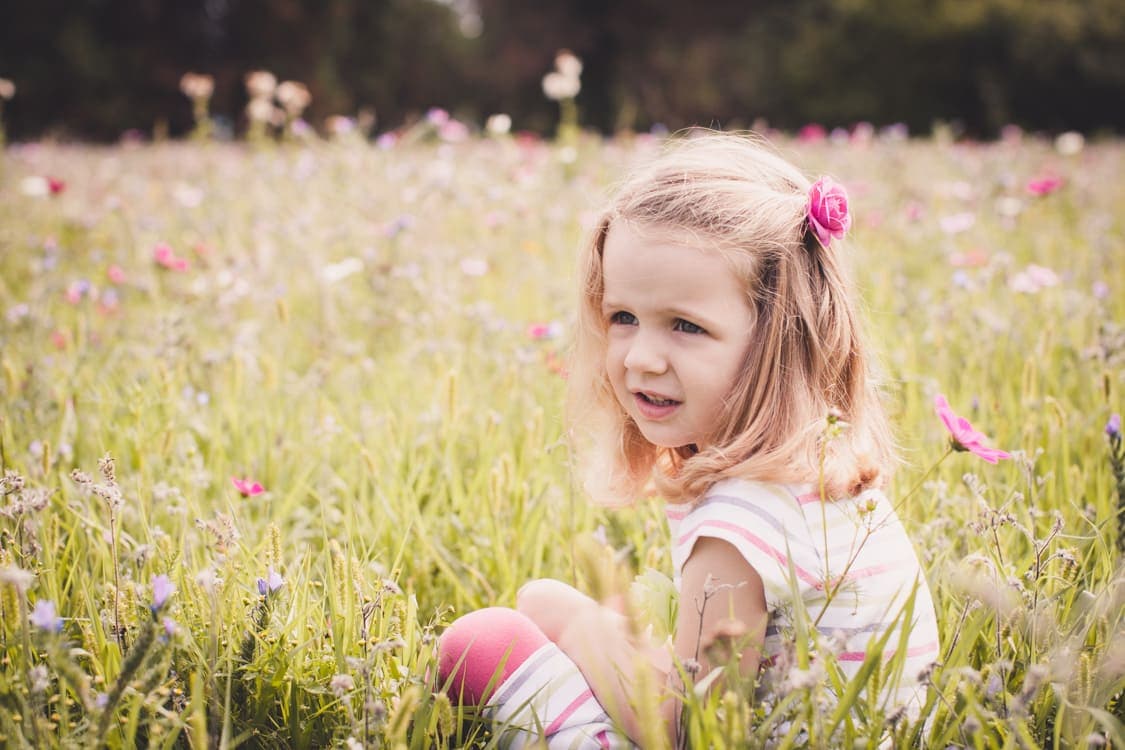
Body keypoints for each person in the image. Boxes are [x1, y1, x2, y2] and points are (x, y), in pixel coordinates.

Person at [437, 131, 940, 748]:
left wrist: (578, 628)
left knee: (485, 641)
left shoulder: (742, 520)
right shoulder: (814, 470)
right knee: (545, 603)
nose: (642, 358)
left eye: (685, 325)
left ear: (777, 341)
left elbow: (696, 731)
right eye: (623, 316)